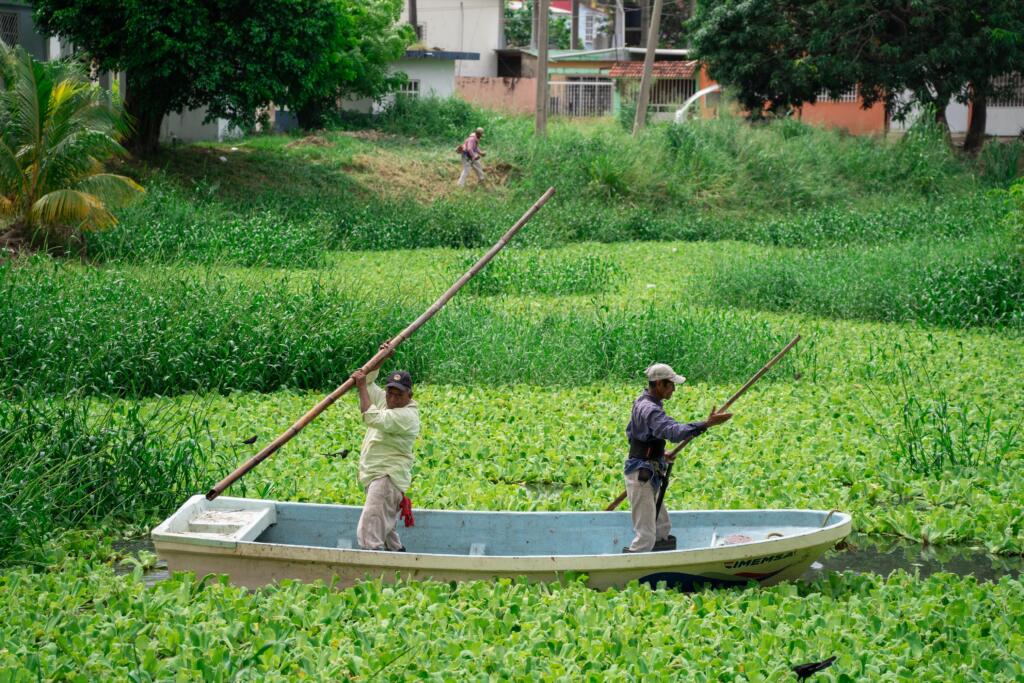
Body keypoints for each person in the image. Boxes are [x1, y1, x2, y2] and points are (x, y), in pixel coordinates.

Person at [623, 363, 732, 553]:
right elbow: (673, 432)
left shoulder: (642, 402)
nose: (674, 388)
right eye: (671, 384)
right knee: (646, 536)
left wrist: (657, 453)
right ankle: (627, 575)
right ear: (659, 384)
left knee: (662, 529)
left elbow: (634, 434)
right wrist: (706, 424)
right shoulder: (650, 409)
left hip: (648, 470)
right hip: (641, 476)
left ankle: (662, 566)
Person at [350, 348, 420, 551]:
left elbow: (370, 416)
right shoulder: (386, 401)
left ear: (409, 395)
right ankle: (398, 556)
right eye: (390, 392)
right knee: (387, 532)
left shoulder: (406, 416)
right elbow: (369, 381)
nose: (393, 398)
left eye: (399, 394)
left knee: (369, 532)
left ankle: (373, 571)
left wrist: (360, 386)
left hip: (386, 479)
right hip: (377, 476)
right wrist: (381, 358)